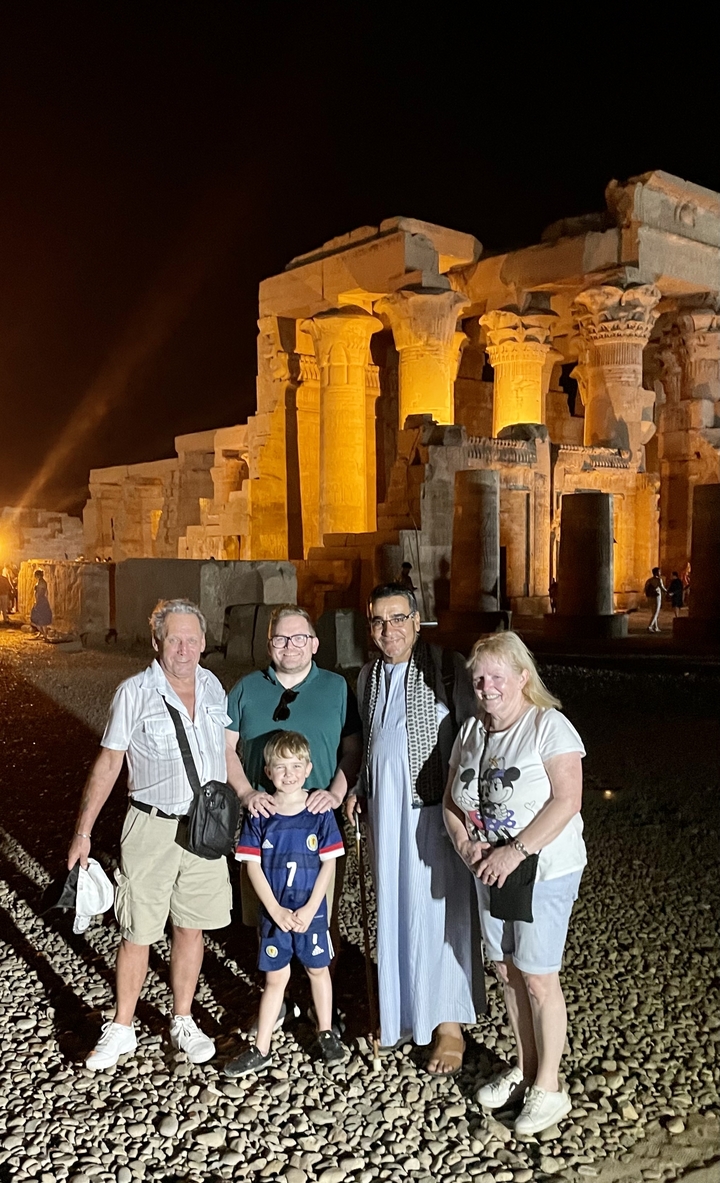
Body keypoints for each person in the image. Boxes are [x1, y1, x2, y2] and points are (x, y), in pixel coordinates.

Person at [67, 598, 257, 1071]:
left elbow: (226, 753)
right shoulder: (134, 693)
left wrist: (248, 795)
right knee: (137, 930)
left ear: (204, 642)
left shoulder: (213, 687)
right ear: (157, 642)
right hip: (150, 826)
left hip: (205, 828)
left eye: (192, 639)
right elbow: (109, 762)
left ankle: (182, 1019)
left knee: (191, 926)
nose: (184, 649)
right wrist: (83, 832)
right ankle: (122, 1026)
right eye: (175, 639)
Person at [443, 630, 586, 1137]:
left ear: (523, 678)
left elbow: (567, 800)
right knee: (506, 971)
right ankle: (525, 1068)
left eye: (497, 676)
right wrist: (466, 847)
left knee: (539, 976)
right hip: (489, 869)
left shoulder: (548, 726)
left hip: (540, 869)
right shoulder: (471, 731)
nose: (487, 687)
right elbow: (451, 801)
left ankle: (549, 1086)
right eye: (479, 679)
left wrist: (515, 850)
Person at [346, 582, 482, 1075]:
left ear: (417, 621)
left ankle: (448, 1024)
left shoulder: (447, 667)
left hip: (437, 812)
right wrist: (359, 788)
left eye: (399, 618)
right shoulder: (367, 676)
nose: (390, 630)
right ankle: (402, 1012)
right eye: (379, 621)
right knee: (397, 907)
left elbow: (475, 736)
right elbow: (372, 740)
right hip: (386, 814)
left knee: (442, 912)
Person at [226, 605, 362, 965]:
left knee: (323, 913)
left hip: (319, 821)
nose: (290, 646)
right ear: (269, 644)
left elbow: (353, 749)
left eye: (299, 638)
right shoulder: (246, 689)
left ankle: (322, 992)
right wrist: (246, 792)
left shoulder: (337, 688)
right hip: (265, 823)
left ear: (314, 644)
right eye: (281, 639)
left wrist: (336, 793)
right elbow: (223, 748)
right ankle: (277, 989)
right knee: (267, 917)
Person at [225, 731, 346, 1077]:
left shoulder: (319, 811)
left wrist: (311, 908)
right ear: (268, 771)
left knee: (318, 970)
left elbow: (329, 864)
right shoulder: (260, 813)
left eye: (296, 766)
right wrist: (275, 910)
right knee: (275, 977)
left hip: (311, 911)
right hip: (274, 912)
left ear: (308, 769)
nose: (288, 774)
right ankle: (261, 1046)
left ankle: (326, 1032)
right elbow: (252, 866)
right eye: (280, 766)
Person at [30, 568, 53, 640]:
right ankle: (42, 633)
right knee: (41, 618)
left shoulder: (41, 583)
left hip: (40, 601)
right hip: (42, 601)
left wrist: (37, 602)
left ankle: (43, 634)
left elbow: (39, 594)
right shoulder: (42, 582)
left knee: (38, 617)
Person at [644, 567, 666, 633]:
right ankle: (650, 626)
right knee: (656, 613)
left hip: (650, 597)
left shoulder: (649, 580)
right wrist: (668, 592)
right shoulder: (659, 580)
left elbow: (645, 589)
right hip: (657, 597)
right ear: (657, 573)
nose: (660, 573)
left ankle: (656, 627)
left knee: (653, 612)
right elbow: (662, 588)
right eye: (659, 572)